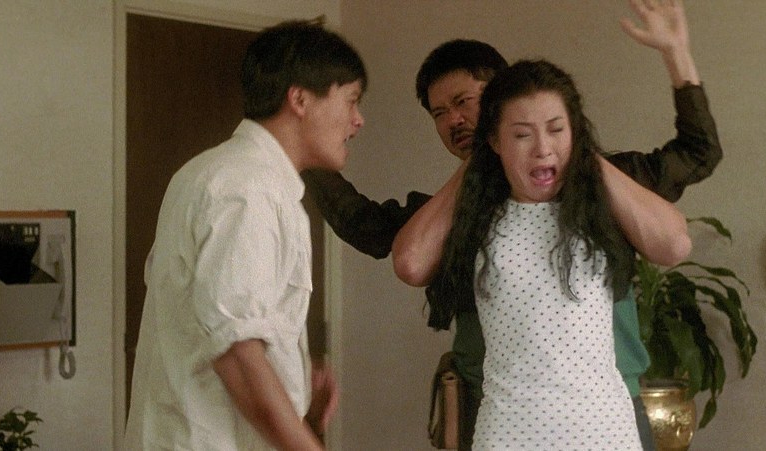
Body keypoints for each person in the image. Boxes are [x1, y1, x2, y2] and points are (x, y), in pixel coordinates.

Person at [303, 0, 721, 448]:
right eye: (439, 113)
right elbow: (372, 231)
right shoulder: (457, 211)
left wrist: (676, 53)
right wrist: (301, 146)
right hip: (494, 410)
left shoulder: (604, 187)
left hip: (607, 410)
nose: (453, 120)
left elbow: (696, 157)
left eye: (463, 103)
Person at [410, 56, 690, 450]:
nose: (543, 149)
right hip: (509, 436)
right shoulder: (478, 214)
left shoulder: (598, 207)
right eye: (522, 135)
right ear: (495, 141)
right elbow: (411, 263)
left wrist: (586, 154)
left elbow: (675, 245)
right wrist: (474, 166)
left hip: (605, 434)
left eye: (557, 129)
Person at [123, 20, 366, 450]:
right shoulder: (247, 189)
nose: (358, 121)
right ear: (300, 99)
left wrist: (293, 376)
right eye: (351, 100)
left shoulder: (223, 174)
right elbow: (237, 355)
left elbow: (213, 323)